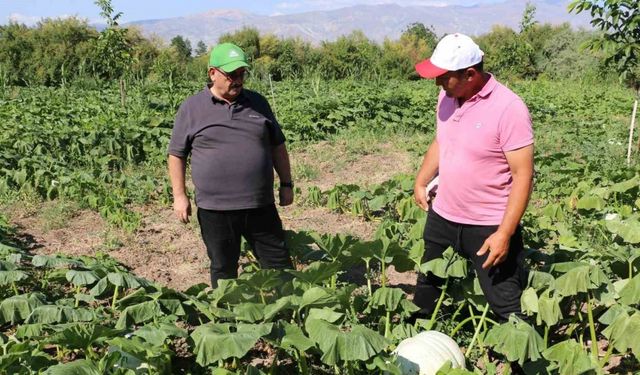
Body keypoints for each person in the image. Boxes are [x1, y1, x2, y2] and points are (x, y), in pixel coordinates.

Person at [412, 33, 534, 321]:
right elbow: (442, 141)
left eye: (443, 77)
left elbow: (523, 175)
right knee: (427, 289)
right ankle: (415, 345)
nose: (437, 83)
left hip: (487, 225)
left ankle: (524, 363)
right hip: (442, 216)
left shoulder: (509, 108)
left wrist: (504, 233)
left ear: (470, 74)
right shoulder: (447, 96)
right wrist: (421, 180)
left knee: (506, 304)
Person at [167, 42, 294, 287]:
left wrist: (287, 183)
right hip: (216, 209)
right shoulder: (192, 108)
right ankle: (227, 321)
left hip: (259, 204)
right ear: (212, 73)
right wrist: (179, 195)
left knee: (278, 264)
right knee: (224, 268)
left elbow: (278, 145)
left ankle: (288, 314)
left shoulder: (258, 103)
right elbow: (176, 154)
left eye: (241, 74)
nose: (237, 80)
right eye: (231, 74)